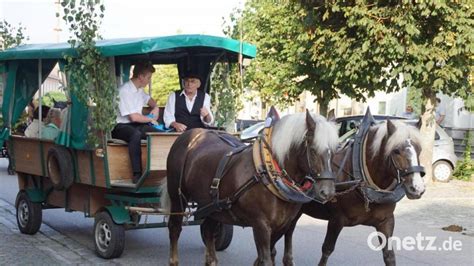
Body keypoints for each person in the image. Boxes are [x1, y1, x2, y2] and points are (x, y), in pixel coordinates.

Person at [111, 62, 160, 183]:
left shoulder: (139, 90)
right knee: (135, 135)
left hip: (136, 125)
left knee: (156, 133)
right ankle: (137, 174)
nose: (149, 80)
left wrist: (156, 107)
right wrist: (151, 118)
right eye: (148, 78)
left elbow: (150, 101)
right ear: (140, 77)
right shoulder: (124, 91)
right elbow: (134, 117)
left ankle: (158, 170)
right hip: (119, 126)